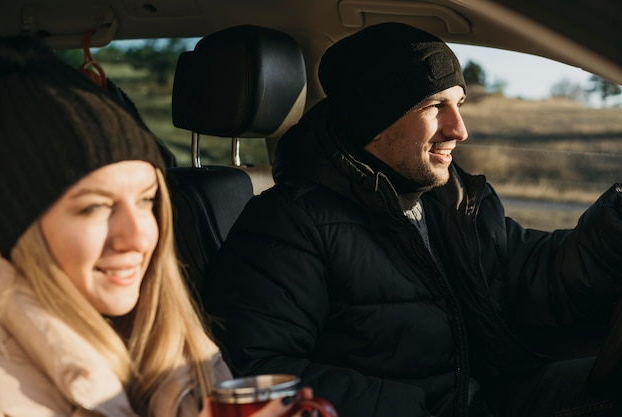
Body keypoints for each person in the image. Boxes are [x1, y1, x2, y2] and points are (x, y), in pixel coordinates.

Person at [201, 22, 622, 417]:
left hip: (485, 394)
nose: (459, 129)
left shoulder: (449, 201)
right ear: (375, 118)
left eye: (458, 104)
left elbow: (534, 272)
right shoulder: (289, 223)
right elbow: (256, 372)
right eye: (435, 106)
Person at [0, 35, 313, 417]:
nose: (141, 236)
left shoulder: (173, 338)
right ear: (14, 226)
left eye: (147, 200)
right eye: (95, 207)